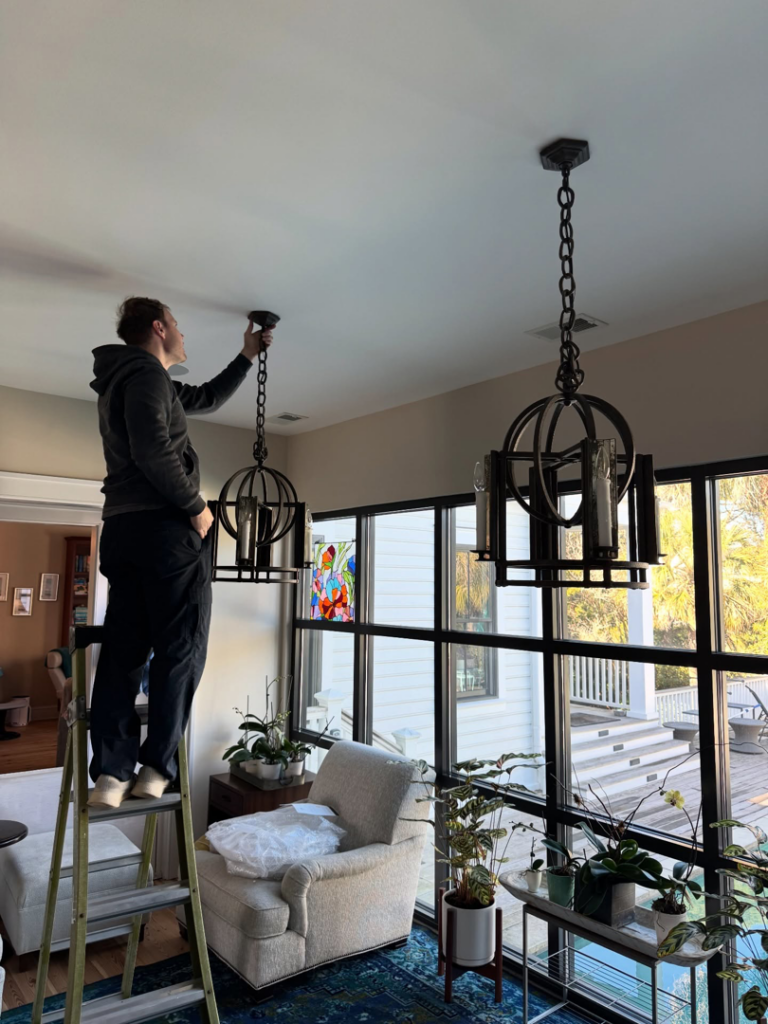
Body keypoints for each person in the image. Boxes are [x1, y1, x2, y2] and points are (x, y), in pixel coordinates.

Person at [87, 297, 273, 808]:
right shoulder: (146, 376)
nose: (184, 335)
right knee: (181, 648)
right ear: (159, 327)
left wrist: (247, 355)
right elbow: (154, 451)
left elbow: (209, 396)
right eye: (179, 326)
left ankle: (111, 772)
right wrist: (197, 509)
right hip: (164, 530)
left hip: (123, 529)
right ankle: (154, 768)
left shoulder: (132, 380)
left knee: (125, 649)